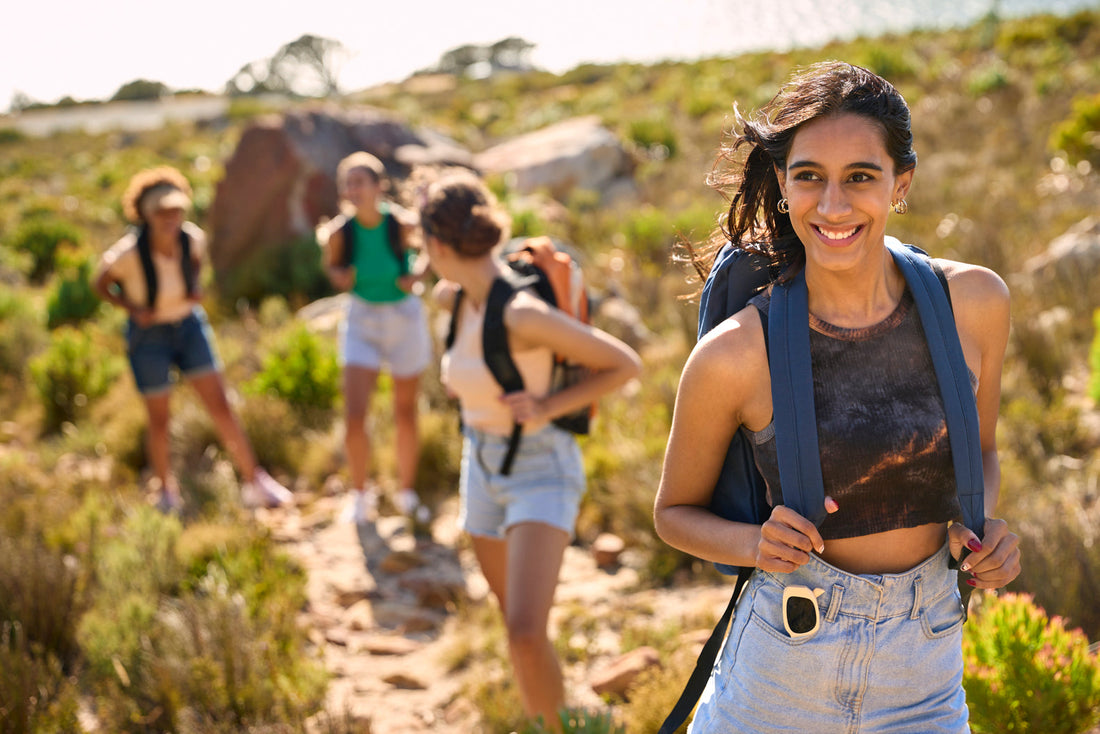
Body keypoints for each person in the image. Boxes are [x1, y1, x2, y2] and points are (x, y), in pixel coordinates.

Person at [653, 61, 1021, 732]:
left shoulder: (975, 304)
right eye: (809, 177)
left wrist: (985, 532)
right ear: (785, 185)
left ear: (900, 183)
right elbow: (673, 514)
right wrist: (754, 543)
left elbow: (985, 452)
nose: (832, 205)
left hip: (926, 676)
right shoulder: (736, 353)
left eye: (860, 176)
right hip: (779, 677)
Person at [420, 171, 641, 730]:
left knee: (522, 630)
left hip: (541, 467)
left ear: (440, 246)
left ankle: (557, 723)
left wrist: (545, 406)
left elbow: (624, 364)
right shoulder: (454, 298)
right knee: (518, 624)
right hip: (482, 464)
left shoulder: (522, 313)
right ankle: (552, 705)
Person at [93, 166, 293, 513]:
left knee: (221, 405)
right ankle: (166, 491)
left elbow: (197, 263)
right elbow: (101, 282)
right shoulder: (127, 253)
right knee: (159, 417)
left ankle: (254, 480)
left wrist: (193, 287)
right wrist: (130, 307)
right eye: (162, 212)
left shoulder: (192, 238)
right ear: (145, 214)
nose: (171, 218)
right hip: (148, 336)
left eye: (176, 210)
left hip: (189, 326)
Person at [319, 152, 432, 524]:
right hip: (362, 318)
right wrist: (340, 276)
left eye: (359, 182)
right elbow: (333, 267)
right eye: (347, 184)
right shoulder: (340, 232)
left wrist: (415, 277)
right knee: (355, 415)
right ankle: (360, 494)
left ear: (379, 186)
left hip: (403, 317)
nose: (353, 190)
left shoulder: (400, 224)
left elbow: (430, 251)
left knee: (404, 411)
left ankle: (407, 492)